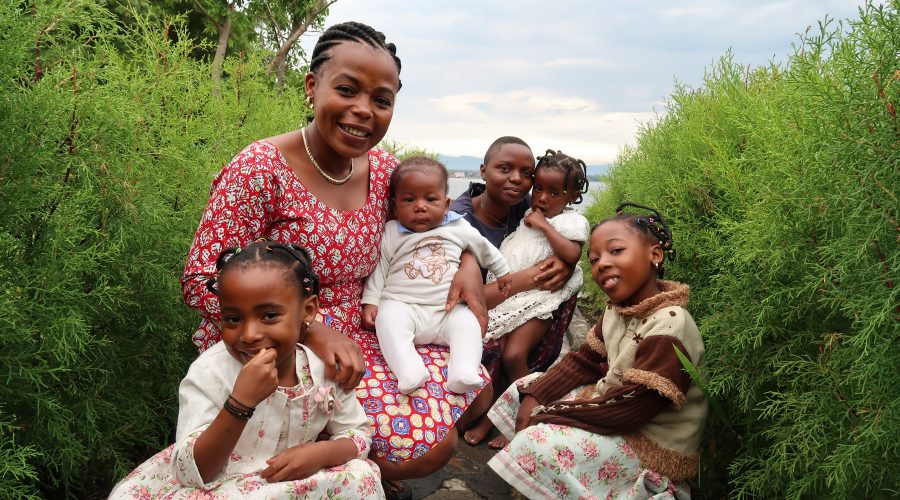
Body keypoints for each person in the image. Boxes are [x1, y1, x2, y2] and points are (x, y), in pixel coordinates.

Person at [180, 22, 489, 498]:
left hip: (364, 336)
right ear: (312, 87)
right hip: (272, 342)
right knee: (417, 445)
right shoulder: (260, 169)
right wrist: (308, 328)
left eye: (382, 100)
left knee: (450, 423)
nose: (363, 111)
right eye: (347, 90)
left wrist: (468, 260)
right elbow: (201, 280)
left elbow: (433, 227)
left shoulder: (386, 171)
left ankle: (352, 474)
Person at [110, 241, 383, 498]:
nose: (250, 334)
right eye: (233, 319)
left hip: (289, 482)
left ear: (308, 311)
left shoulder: (322, 368)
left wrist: (320, 454)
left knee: (362, 476)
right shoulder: (210, 372)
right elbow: (194, 472)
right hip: (219, 485)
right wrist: (240, 403)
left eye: (269, 315)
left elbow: (356, 434)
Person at [486, 202, 708, 499]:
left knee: (537, 439)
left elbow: (630, 409)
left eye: (616, 251)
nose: (601, 263)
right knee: (523, 389)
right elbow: (583, 362)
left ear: (655, 254)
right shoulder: (618, 310)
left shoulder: (670, 325)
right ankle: (546, 480)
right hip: (613, 408)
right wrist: (537, 397)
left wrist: (549, 413)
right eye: (594, 259)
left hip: (649, 441)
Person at [450, 137, 579, 449]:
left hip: (525, 306)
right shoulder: (459, 221)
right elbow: (462, 297)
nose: (517, 181)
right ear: (482, 170)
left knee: (512, 352)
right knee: (494, 359)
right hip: (464, 309)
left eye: (526, 174)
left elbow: (568, 251)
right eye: (504, 169)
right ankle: (491, 415)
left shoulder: (527, 208)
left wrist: (566, 267)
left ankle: (511, 416)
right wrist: (530, 278)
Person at [361, 157, 511, 394]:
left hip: (447, 310)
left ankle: (463, 370)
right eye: (409, 200)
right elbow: (381, 268)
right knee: (387, 319)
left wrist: (502, 271)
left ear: (446, 203)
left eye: (431, 199)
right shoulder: (392, 231)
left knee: (468, 323)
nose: (420, 206)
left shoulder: (458, 227)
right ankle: (408, 370)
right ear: (395, 204)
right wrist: (370, 301)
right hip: (404, 305)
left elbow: (484, 247)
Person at [485, 150, 590, 385]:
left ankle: (528, 399)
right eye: (539, 188)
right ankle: (494, 410)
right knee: (497, 350)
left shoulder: (571, 221)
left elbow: (572, 254)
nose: (542, 198)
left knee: (514, 355)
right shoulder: (527, 212)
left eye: (554, 193)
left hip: (540, 300)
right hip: (512, 297)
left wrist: (545, 227)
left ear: (572, 196)